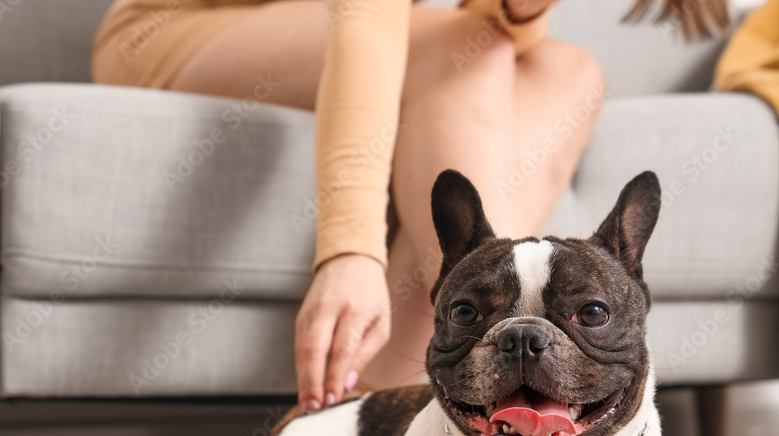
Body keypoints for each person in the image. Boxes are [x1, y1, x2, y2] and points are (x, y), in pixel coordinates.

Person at [93, 0, 728, 414]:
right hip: (182, 26)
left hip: (374, 25)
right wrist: (350, 248)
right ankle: (423, 414)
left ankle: (375, 411)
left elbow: (487, 21)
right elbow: (370, 15)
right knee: (467, 46)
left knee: (571, 71)